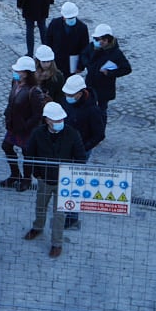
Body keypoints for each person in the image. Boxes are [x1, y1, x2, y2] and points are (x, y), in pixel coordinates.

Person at [23, 102, 86, 258]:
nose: (59, 123)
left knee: (59, 214)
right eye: (56, 120)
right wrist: (33, 174)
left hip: (64, 181)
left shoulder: (72, 134)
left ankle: (56, 243)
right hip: (44, 178)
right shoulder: (37, 134)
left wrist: (71, 175)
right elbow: (29, 155)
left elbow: (80, 157)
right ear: (47, 120)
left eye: (61, 120)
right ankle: (37, 227)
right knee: (40, 206)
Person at [58, 74, 106, 231]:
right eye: (66, 94)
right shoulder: (67, 101)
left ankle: (72, 217)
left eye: (70, 95)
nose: (67, 97)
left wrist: (82, 148)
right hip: (64, 147)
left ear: (80, 93)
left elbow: (99, 134)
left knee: (74, 184)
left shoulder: (92, 110)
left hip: (80, 152)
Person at [0, 56, 45, 192]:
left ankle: (26, 178)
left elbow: (37, 114)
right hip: (13, 125)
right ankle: (15, 174)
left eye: (18, 70)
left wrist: (26, 126)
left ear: (26, 73)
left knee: (27, 154)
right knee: (6, 146)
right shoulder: (15, 82)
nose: (15, 72)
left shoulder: (34, 91)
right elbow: (11, 101)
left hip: (26, 129)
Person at [77, 24, 132, 116]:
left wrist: (110, 73)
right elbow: (84, 54)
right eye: (96, 39)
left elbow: (126, 69)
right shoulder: (93, 47)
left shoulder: (116, 54)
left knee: (102, 110)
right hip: (90, 83)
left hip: (105, 87)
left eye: (98, 39)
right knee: (88, 106)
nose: (96, 41)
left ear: (106, 40)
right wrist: (87, 64)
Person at [44, 1, 89, 77]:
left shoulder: (82, 28)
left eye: (72, 17)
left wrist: (81, 66)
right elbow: (48, 42)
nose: (71, 19)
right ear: (63, 16)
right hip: (56, 61)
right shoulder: (54, 24)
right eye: (69, 18)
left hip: (72, 64)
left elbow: (85, 48)